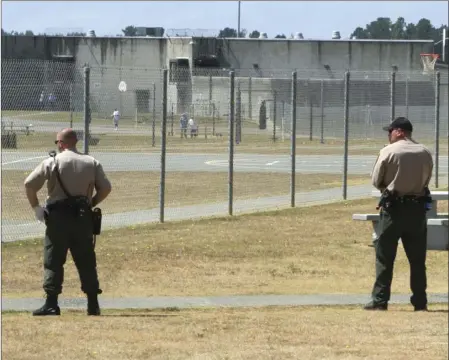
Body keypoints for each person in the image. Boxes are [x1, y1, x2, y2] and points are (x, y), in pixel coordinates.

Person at [24, 128, 112, 316]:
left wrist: (36, 208)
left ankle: (51, 303)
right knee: (86, 260)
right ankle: (93, 304)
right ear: (75, 142)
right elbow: (105, 188)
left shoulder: (53, 162)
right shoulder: (91, 162)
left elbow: (29, 184)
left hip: (58, 218)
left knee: (53, 260)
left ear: (61, 144)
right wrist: (91, 203)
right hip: (82, 217)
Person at [364, 117, 433, 311]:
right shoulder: (425, 151)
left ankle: (380, 300)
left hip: (394, 209)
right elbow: (427, 179)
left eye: (391, 131)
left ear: (400, 132)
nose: (389, 135)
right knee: (418, 260)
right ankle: (420, 301)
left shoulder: (389, 151)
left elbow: (377, 180)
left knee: (385, 256)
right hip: (418, 210)